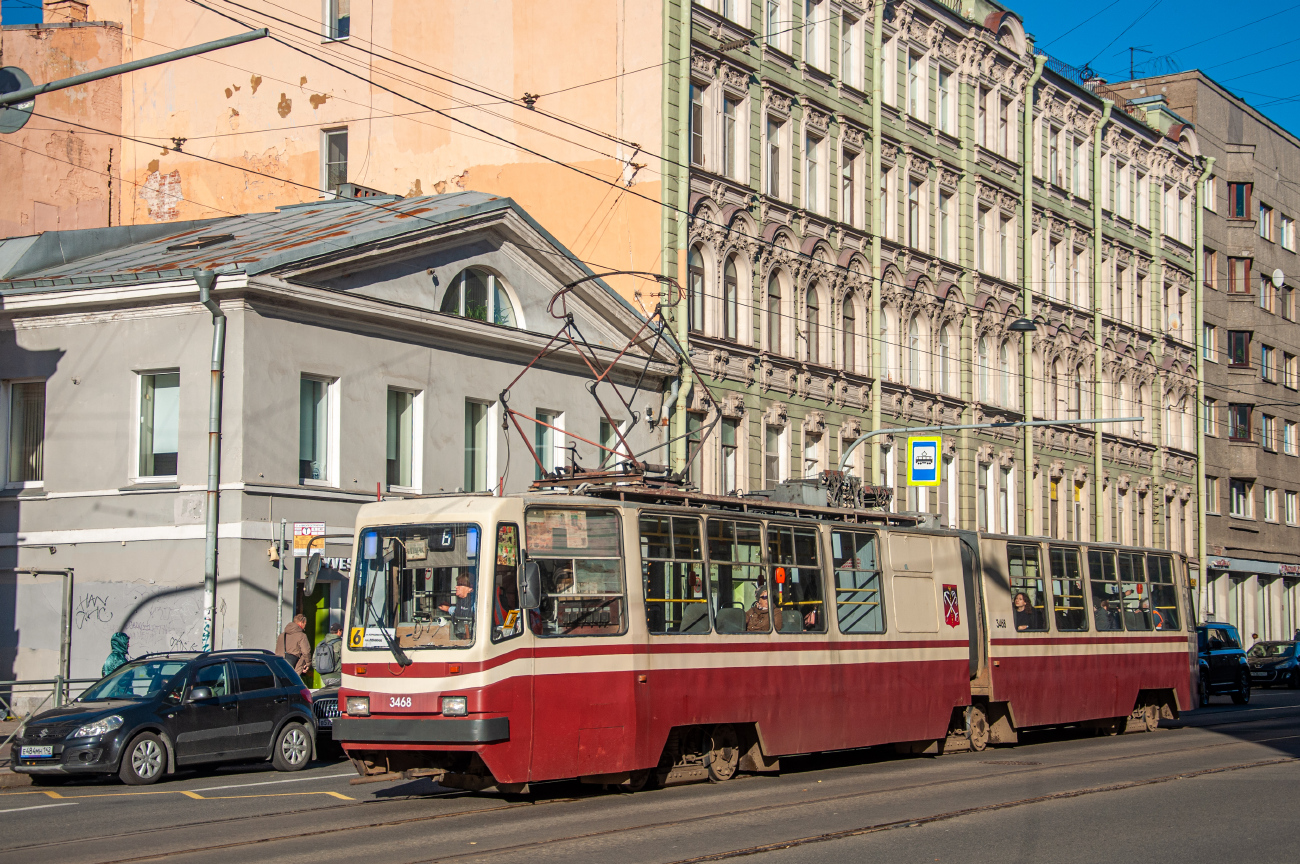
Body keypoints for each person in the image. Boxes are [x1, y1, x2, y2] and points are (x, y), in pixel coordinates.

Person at [276, 613, 313, 678]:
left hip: (280, 665)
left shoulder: (281, 636)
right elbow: (306, 652)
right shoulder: (302, 636)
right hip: (295, 666)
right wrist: (308, 663)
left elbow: (277, 651)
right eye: (305, 623)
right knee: (294, 681)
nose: (305, 626)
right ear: (301, 623)